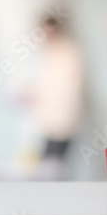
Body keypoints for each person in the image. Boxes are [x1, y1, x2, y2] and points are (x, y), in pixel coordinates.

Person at [29, 14, 86, 159]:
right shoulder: (48, 53)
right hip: (47, 121)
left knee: (54, 163)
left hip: (63, 120)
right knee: (46, 163)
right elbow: (44, 84)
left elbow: (69, 91)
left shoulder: (70, 52)